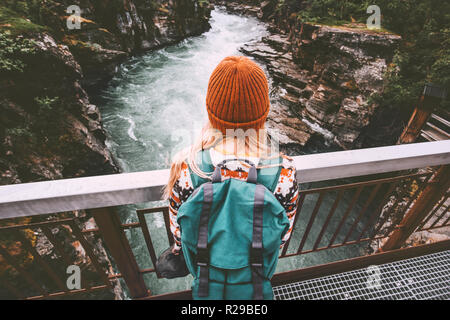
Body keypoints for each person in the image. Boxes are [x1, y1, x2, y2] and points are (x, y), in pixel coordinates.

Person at [163, 56, 298, 299]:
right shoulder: (283, 171)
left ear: (211, 111)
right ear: (262, 114)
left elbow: (179, 232)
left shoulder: (188, 166)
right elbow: (282, 236)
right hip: (254, 272)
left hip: (206, 272)